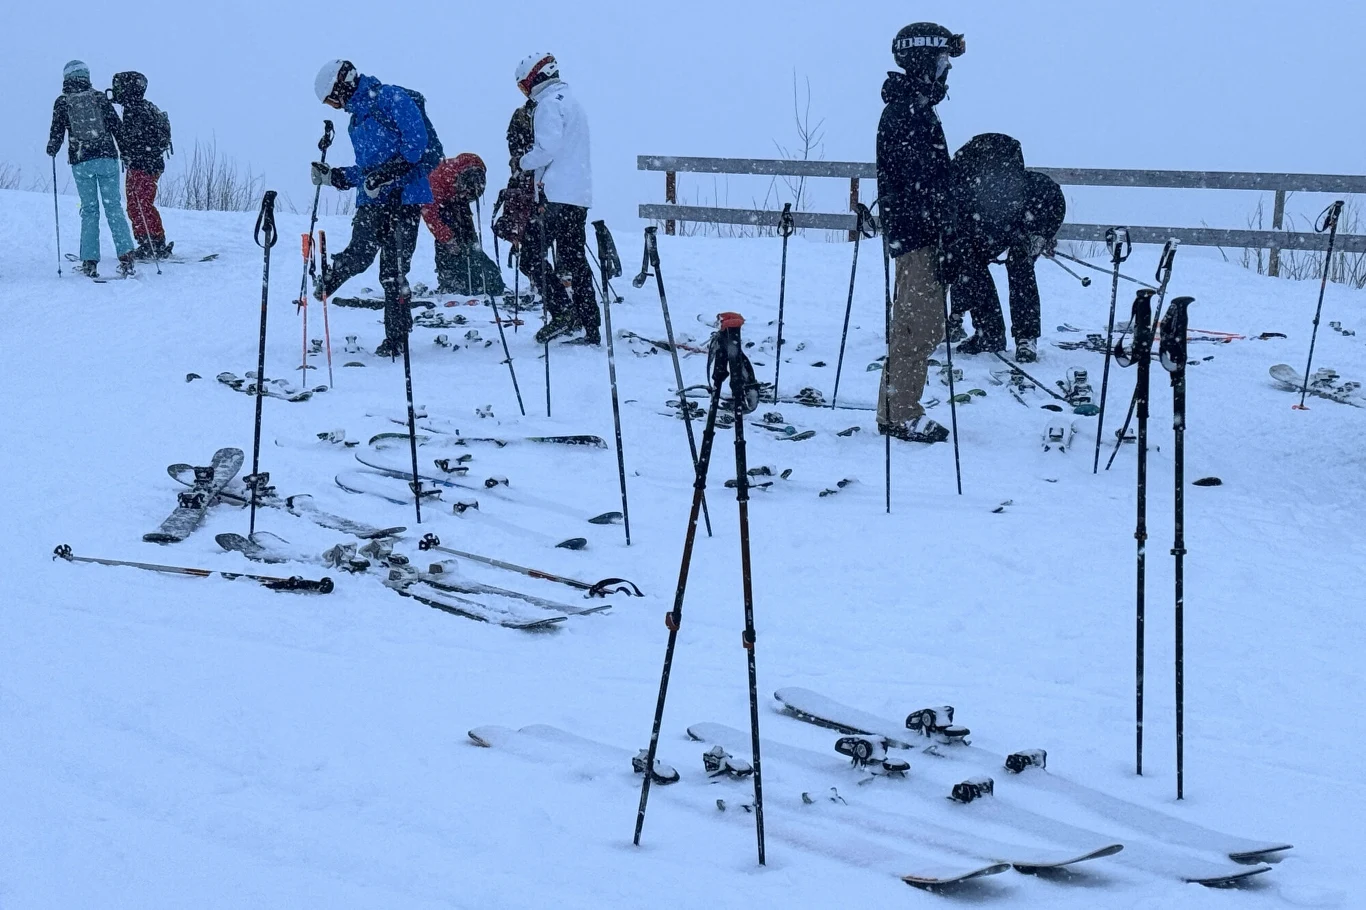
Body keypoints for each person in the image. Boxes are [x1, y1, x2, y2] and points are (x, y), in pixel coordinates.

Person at [874, 24, 965, 443]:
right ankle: (899, 413)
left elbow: (932, 183)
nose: (947, 69)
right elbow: (920, 186)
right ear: (924, 61)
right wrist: (941, 229)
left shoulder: (917, 108)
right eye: (943, 60)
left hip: (923, 235)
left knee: (923, 325)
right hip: (918, 237)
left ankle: (899, 407)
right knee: (916, 326)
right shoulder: (906, 112)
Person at [309, 59, 436, 358]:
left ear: (342, 86)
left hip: (405, 198)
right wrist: (334, 176)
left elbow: (417, 145)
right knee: (359, 254)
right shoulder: (357, 121)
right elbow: (366, 170)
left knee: (393, 271)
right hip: (373, 200)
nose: (335, 107)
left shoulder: (391, 98)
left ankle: (396, 338)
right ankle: (329, 279)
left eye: (332, 100)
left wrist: (386, 176)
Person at [513, 53, 600, 346]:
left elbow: (546, 150)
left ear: (535, 79)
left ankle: (563, 313)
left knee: (531, 257)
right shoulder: (572, 102)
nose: (525, 92)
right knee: (575, 260)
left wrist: (522, 162)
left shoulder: (548, 105)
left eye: (524, 85)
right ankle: (590, 324)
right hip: (578, 195)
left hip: (555, 196)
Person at [948, 170, 1065, 363]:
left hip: (1041, 207)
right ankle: (989, 335)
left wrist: (1042, 235)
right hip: (1006, 215)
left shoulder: (965, 210)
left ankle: (1025, 337)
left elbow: (961, 272)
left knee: (1020, 264)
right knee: (972, 264)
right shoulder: (964, 208)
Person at [47, 60, 137, 279]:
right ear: (86, 76)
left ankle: (89, 261)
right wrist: (126, 152)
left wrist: (52, 147)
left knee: (89, 209)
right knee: (113, 207)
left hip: (81, 161)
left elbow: (57, 131)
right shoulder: (99, 98)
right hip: (107, 157)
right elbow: (116, 126)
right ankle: (126, 256)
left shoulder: (63, 102)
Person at [110, 70, 174, 260]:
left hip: (142, 164)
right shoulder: (143, 107)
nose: (116, 91)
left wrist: (129, 151)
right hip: (148, 163)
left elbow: (134, 139)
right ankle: (151, 240)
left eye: (119, 87)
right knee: (139, 203)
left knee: (139, 203)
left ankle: (152, 242)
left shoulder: (135, 110)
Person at [422, 153, 505, 296]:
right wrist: (446, 238)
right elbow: (430, 214)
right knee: (450, 244)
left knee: (470, 242)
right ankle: (452, 279)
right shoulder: (435, 183)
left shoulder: (472, 174)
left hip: (455, 201)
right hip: (443, 205)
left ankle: (478, 279)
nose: (467, 196)